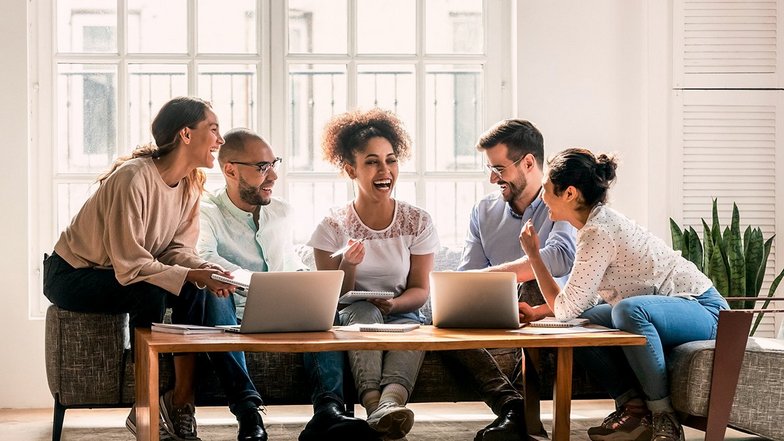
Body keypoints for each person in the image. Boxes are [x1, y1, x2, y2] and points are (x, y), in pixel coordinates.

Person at [42, 97, 267, 441]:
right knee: (149, 291)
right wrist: (190, 274)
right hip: (72, 274)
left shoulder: (190, 183)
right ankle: (144, 407)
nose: (220, 140)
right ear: (186, 134)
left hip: (120, 271)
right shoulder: (133, 178)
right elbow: (131, 265)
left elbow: (176, 250)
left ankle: (190, 404)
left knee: (200, 289)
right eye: (213, 129)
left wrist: (203, 270)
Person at [518, 148, 729, 441]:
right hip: (674, 308)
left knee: (628, 310)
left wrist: (534, 257)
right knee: (584, 322)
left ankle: (663, 417)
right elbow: (580, 303)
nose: (542, 197)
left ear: (569, 193)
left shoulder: (599, 231)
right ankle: (633, 409)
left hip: (705, 310)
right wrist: (539, 312)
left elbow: (566, 307)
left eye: (546, 188)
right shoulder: (593, 227)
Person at [197, 127, 378, 441]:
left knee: (322, 303)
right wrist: (262, 285)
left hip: (283, 311)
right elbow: (205, 258)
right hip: (232, 313)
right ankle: (248, 412)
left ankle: (328, 412)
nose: (273, 176)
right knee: (214, 293)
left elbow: (291, 264)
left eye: (274, 164)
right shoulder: (206, 211)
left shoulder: (282, 212)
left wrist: (312, 283)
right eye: (262, 167)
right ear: (230, 170)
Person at [308, 108, 440, 441]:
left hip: (403, 310)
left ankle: (389, 404)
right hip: (353, 314)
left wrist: (394, 305)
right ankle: (374, 407)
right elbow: (331, 299)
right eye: (372, 162)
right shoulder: (332, 226)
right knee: (363, 312)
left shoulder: (418, 221)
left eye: (391, 160)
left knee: (414, 327)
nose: (385, 171)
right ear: (351, 170)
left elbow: (420, 289)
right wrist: (349, 265)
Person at [446, 119, 577, 441]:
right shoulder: (483, 211)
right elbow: (468, 276)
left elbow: (561, 256)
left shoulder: (561, 201)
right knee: (446, 315)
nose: (493, 178)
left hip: (549, 313)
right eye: (490, 169)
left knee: (532, 283)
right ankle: (514, 408)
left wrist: (492, 277)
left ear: (528, 163)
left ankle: (516, 413)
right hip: (498, 316)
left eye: (499, 169)